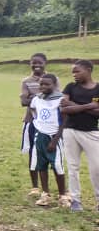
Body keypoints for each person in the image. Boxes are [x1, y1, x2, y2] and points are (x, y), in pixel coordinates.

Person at [59, 60, 99, 212]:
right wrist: (89, 106)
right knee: (73, 167)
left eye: (77, 71)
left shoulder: (97, 88)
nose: (74, 74)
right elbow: (64, 109)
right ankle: (75, 200)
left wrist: (73, 105)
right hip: (71, 131)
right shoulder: (70, 87)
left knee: (96, 168)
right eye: (73, 72)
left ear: (88, 70)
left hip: (91, 132)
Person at [27, 74, 68, 207]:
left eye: (47, 84)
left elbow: (64, 120)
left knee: (57, 166)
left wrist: (55, 139)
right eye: (42, 84)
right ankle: (45, 194)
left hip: (54, 137)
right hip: (40, 135)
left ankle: (63, 195)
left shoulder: (60, 99)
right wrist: (38, 123)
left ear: (54, 85)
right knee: (41, 165)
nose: (44, 86)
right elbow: (32, 110)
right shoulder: (37, 99)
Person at [20, 53, 47, 198]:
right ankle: (35, 186)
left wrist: (32, 96)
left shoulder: (52, 79)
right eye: (33, 62)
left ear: (45, 63)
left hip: (49, 123)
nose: (37, 65)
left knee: (47, 152)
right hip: (31, 121)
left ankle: (46, 187)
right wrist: (43, 95)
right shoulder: (26, 81)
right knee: (32, 153)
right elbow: (23, 101)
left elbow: (57, 97)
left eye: (39, 62)